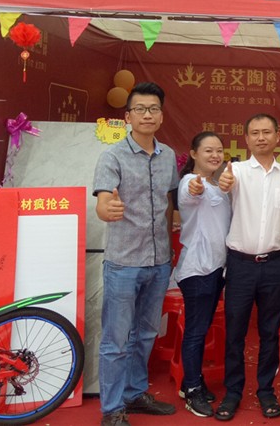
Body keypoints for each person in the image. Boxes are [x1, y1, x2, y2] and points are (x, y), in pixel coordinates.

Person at [93, 82, 180, 426]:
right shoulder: (112, 156)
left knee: (145, 334)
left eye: (154, 109)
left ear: (161, 115)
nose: (148, 115)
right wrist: (107, 209)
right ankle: (112, 408)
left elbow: (169, 202)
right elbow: (103, 201)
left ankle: (134, 393)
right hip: (124, 263)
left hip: (159, 262)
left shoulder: (168, 155)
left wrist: (171, 244)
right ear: (128, 117)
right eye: (140, 109)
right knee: (116, 340)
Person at [215, 114, 280, 421]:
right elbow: (221, 188)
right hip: (240, 265)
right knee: (235, 331)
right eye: (255, 133)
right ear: (246, 138)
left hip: (274, 265)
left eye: (266, 132)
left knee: (270, 332)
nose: (261, 137)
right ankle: (233, 391)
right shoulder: (234, 172)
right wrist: (222, 182)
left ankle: (266, 390)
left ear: (277, 136)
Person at [174, 131, 232, 418]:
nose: (215, 155)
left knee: (202, 327)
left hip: (216, 268)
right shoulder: (190, 182)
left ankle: (190, 382)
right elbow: (190, 191)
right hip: (197, 269)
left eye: (219, 150)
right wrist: (195, 186)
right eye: (208, 150)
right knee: (196, 331)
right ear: (194, 153)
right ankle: (193, 390)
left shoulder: (218, 186)